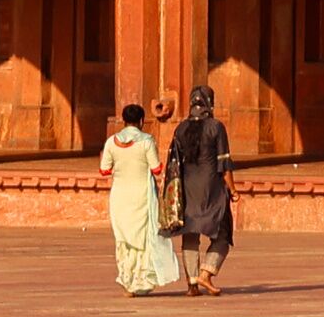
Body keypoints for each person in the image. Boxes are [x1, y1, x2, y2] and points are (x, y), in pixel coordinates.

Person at [163, 85, 235, 296]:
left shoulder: (181, 129)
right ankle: (206, 273)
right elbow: (224, 163)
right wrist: (233, 189)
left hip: (187, 187)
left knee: (190, 233)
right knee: (222, 234)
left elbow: (174, 161)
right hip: (212, 188)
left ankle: (192, 284)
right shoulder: (216, 127)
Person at [101, 102, 175, 296]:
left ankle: (127, 279)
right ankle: (140, 281)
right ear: (142, 121)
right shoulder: (147, 141)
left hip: (120, 195)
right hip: (142, 194)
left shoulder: (111, 142)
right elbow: (156, 169)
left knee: (124, 238)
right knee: (143, 238)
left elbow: (104, 170)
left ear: (124, 120)